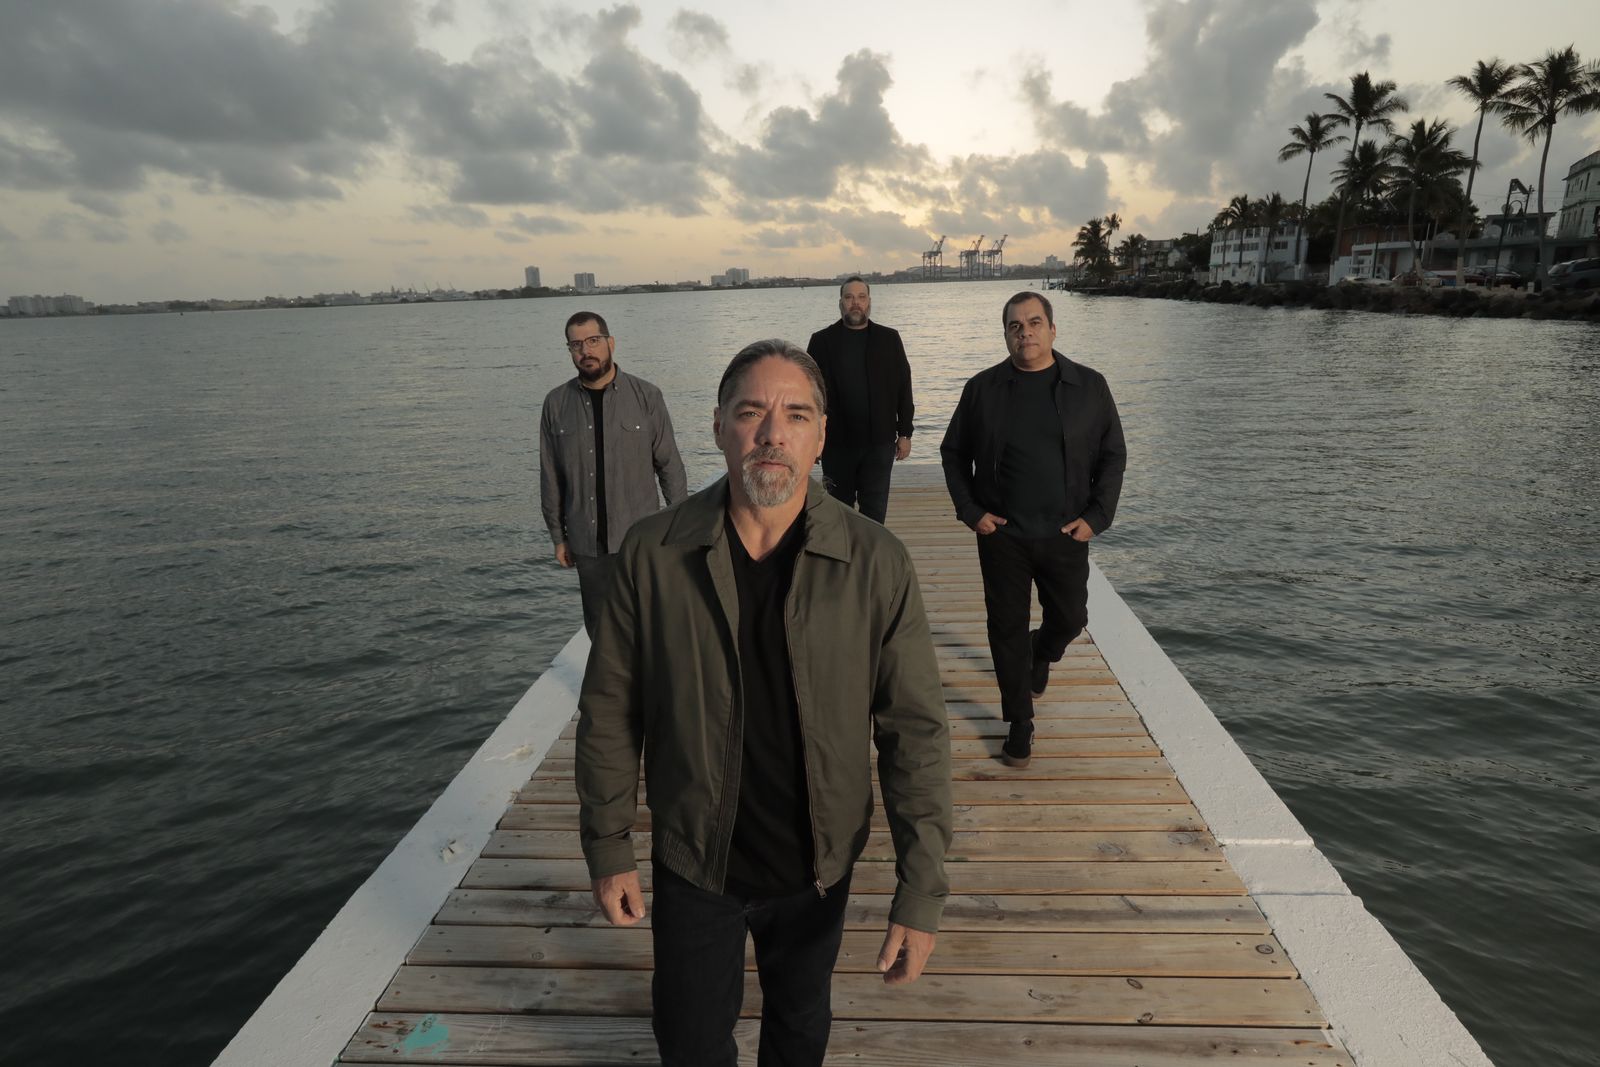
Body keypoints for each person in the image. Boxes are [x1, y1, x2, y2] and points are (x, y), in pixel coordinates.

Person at [575, 339, 952, 1067]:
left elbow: (916, 734)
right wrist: (609, 843)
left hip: (817, 864)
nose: (773, 433)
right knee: (688, 1039)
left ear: (821, 435)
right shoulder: (653, 554)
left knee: (800, 1026)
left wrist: (921, 890)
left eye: (796, 415)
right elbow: (610, 711)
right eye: (751, 412)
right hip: (695, 857)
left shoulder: (877, 562)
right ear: (718, 426)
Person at [939, 292, 1126, 768]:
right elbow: (953, 453)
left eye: (1034, 322)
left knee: (1071, 619)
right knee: (1005, 628)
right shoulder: (982, 389)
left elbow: (1113, 456)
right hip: (1002, 534)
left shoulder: (1089, 386)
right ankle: (1019, 721)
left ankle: (1040, 652)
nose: (1025, 333)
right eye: (1015, 326)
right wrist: (970, 510)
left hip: (1066, 532)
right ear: (1006, 334)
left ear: (1053, 329)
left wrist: (1097, 516)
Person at [539, 310, 687, 637]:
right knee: (601, 630)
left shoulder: (647, 396)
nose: (585, 351)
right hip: (586, 544)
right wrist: (558, 537)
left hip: (640, 539)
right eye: (576, 345)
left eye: (593, 341)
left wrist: (678, 529)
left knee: (649, 624)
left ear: (611, 343)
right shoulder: (555, 404)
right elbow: (550, 477)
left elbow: (669, 466)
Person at [805, 276, 914, 523]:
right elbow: (809, 394)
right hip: (836, 444)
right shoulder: (821, 341)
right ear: (840, 303)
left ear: (869, 302)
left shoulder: (889, 339)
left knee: (874, 515)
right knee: (837, 514)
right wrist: (813, 439)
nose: (856, 303)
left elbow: (903, 387)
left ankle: (870, 550)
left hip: (879, 443)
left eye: (861, 297)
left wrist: (905, 433)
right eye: (849, 297)